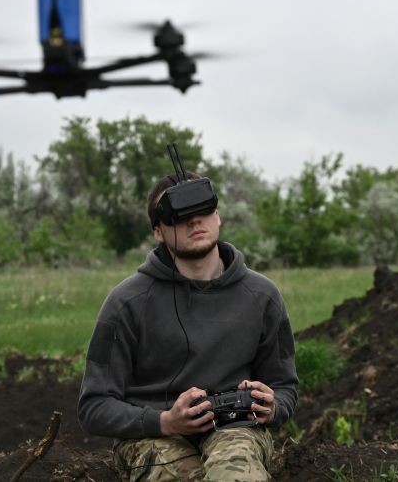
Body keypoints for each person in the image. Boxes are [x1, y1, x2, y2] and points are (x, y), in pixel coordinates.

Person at [78, 172, 299, 481]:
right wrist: (166, 421)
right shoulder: (127, 302)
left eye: (203, 209)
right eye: (178, 216)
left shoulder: (262, 296)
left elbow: (285, 387)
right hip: (151, 436)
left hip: (235, 429)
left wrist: (271, 407)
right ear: (158, 231)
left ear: (218, 216)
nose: (195, 222)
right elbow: (94, 407)